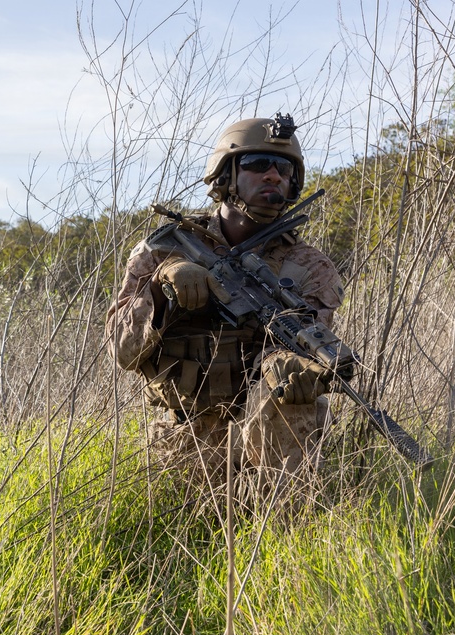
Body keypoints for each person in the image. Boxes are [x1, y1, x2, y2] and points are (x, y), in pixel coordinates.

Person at [106, 113, 345, 502]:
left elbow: (306, 339)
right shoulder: (167, 247)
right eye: (256, 164)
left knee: (294, 395)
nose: (273, 175)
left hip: (267, 435)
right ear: (225, 175)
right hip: (186, 436)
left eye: (284, 168)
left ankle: (285, 530)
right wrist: (161, 287)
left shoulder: (311, 268)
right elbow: (121, 350)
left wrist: (292, 366)